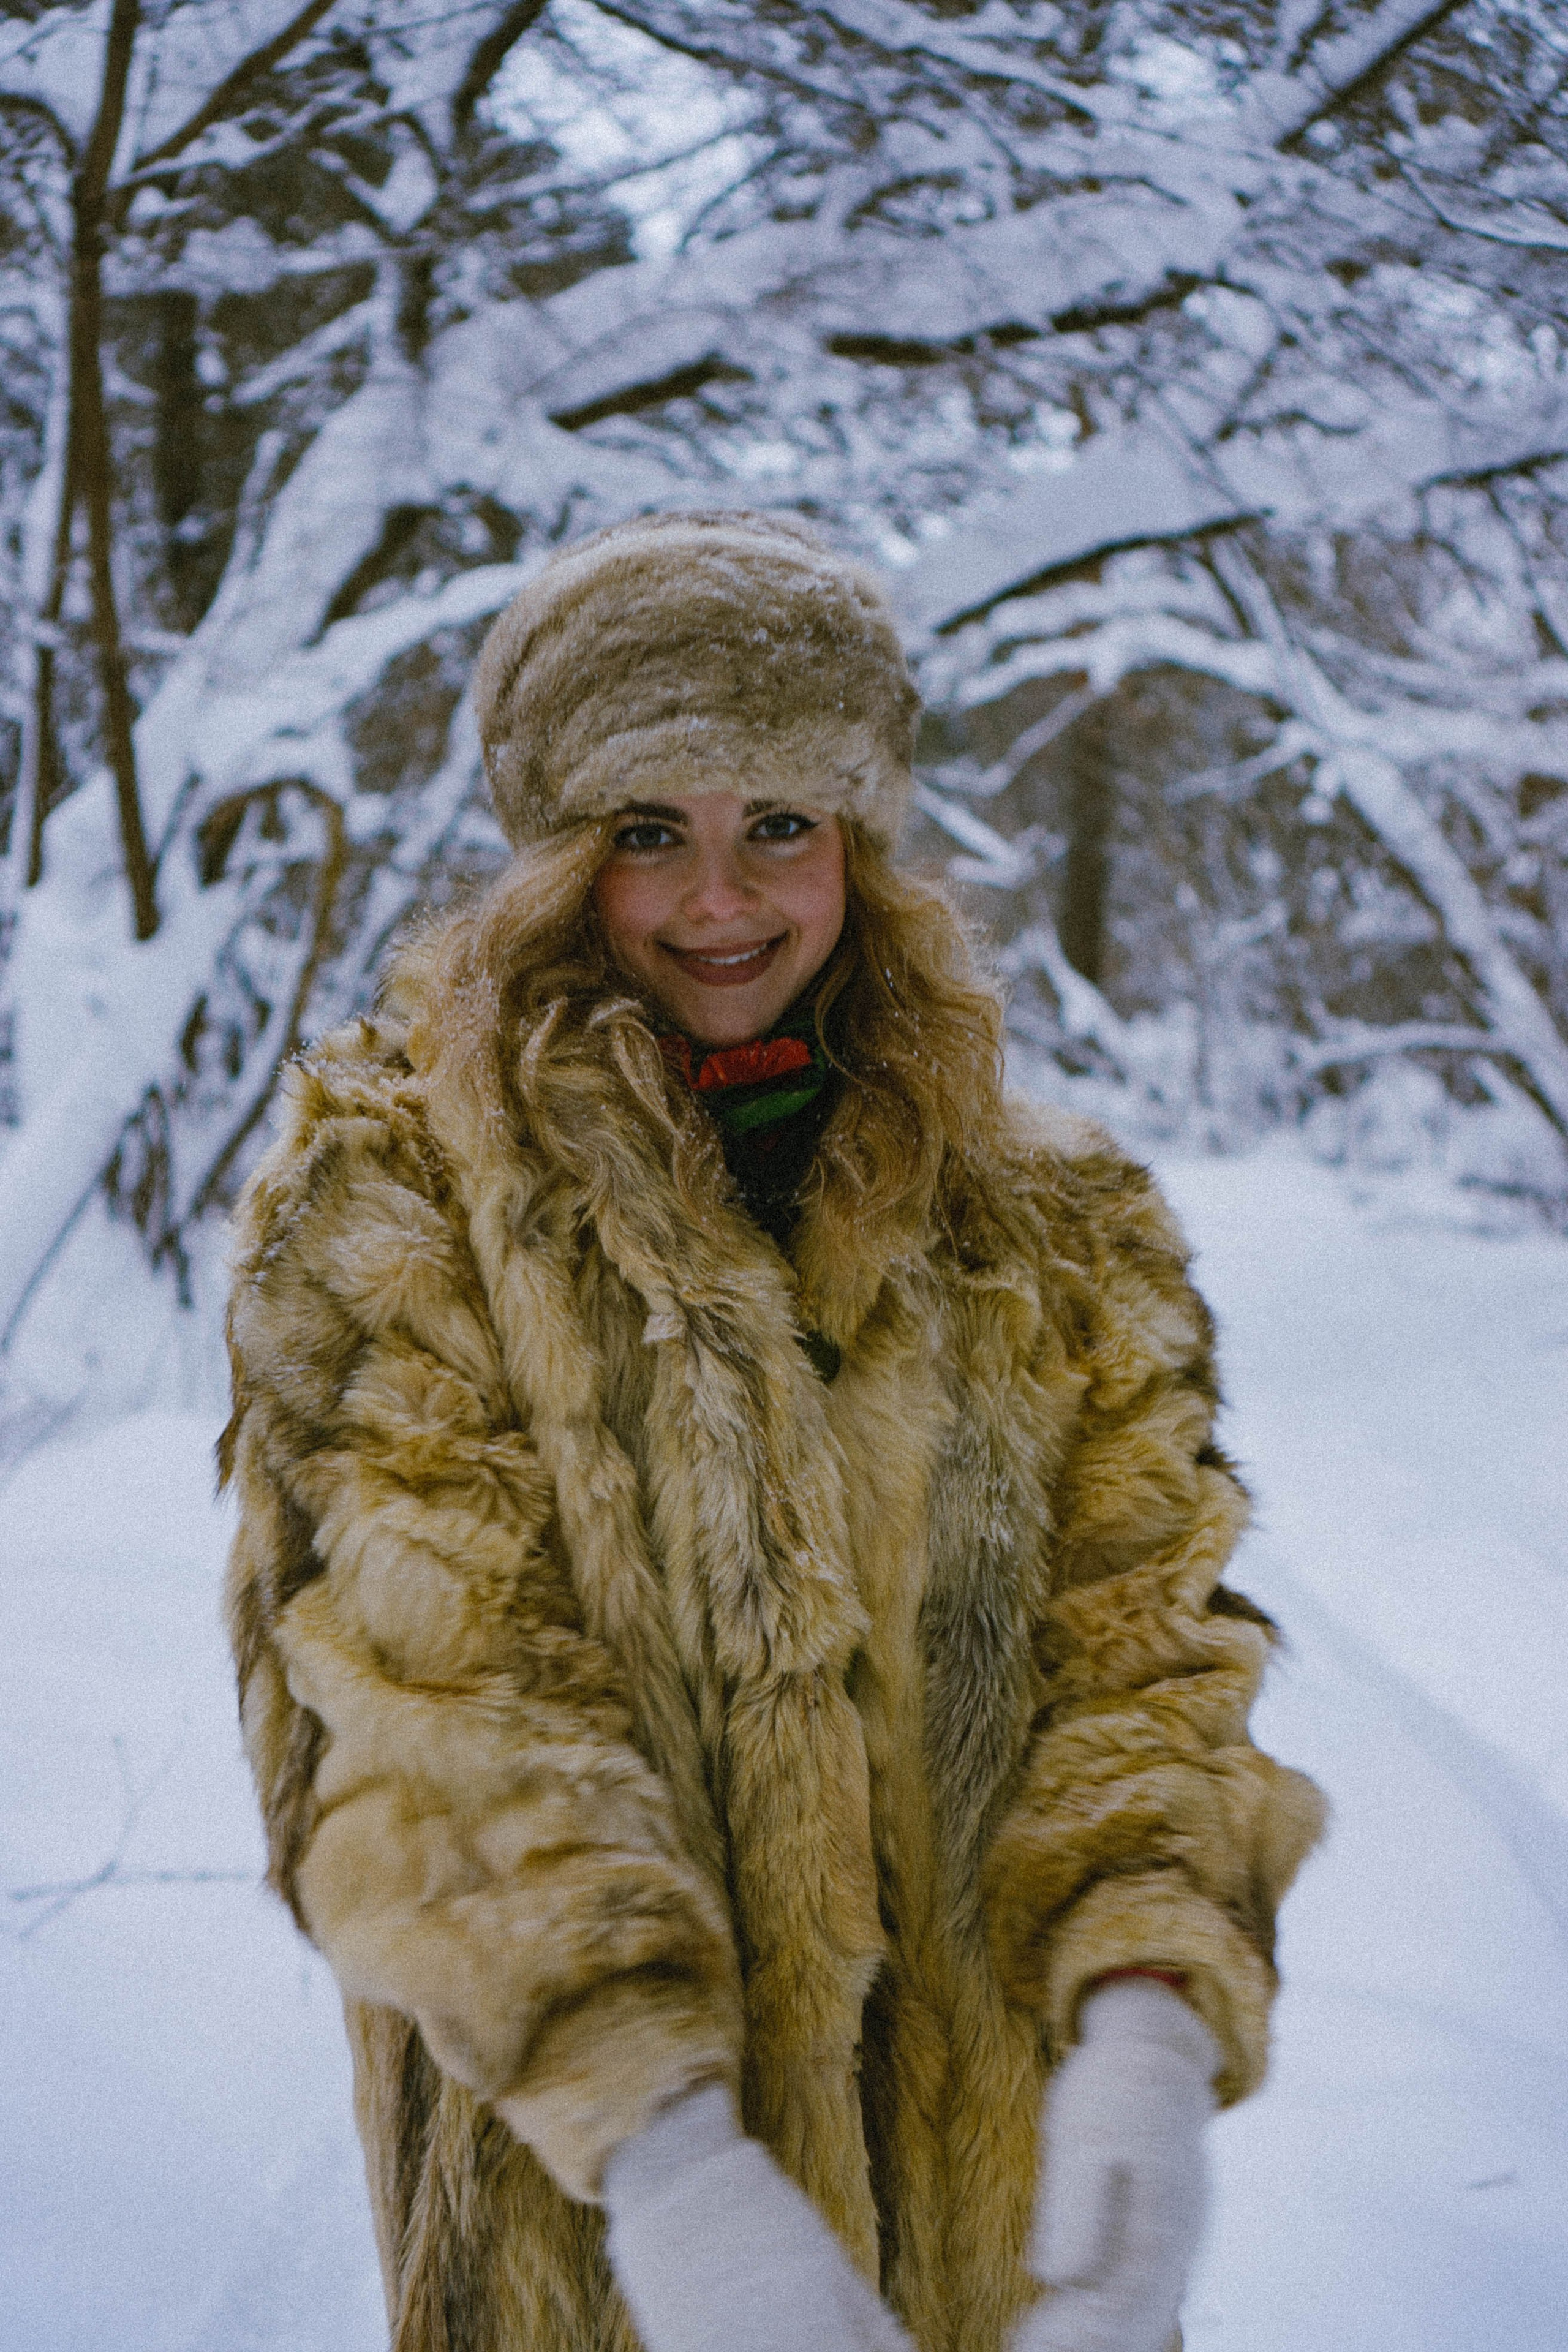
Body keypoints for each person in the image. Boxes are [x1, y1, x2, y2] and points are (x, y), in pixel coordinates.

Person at [221, 510, 1323, 2352]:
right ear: (560, 856)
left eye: (780, 829)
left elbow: (1145, 1645)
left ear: (862, 845)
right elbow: (430, 1694)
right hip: (602, 2228)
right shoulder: (396, 1199)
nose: (719, 901)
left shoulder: (1056, 1223)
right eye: (651, 832)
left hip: (1002, 2233)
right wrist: (673, 2163)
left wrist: (1141, 2016)